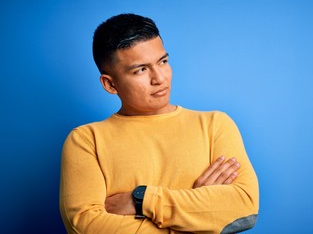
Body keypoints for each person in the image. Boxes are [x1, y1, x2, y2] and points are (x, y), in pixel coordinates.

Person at [59, 13, 259, 234]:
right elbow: (86, 227)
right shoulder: (87, 140)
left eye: (163, 62)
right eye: (141, 70)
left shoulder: (215, 125)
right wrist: (197, 217)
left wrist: (143, 200)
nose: (159, 78)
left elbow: (245, 207)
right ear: (110, 84)